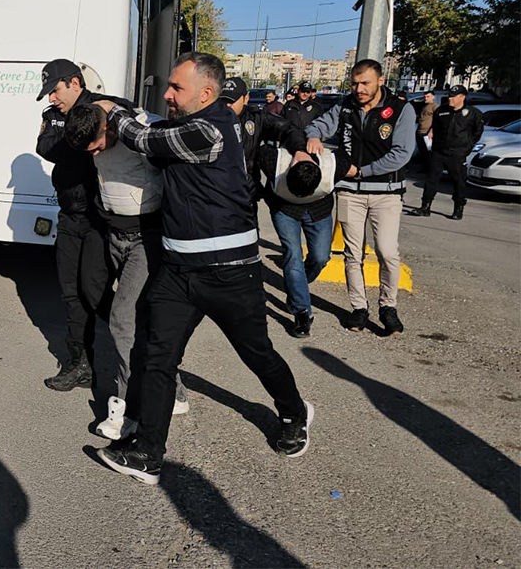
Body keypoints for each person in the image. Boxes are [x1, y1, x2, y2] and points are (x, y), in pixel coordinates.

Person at [91, 52, 313, 485]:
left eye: (177, 88)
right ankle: (147, 454)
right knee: (157, 356)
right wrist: (107, 102)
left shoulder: (210, 129)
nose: (168, 94)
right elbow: (148, 125)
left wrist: (110, 111)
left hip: (228, 273)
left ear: (206, 93)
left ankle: (294, 411)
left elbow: (144, 139)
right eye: (169, 86)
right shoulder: (182, 124)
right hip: (178, 272)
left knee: (256, 354)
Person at [63, 101, 189, 443]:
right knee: (135, 320)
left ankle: (126, 411)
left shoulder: (144, 132)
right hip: (112, 234)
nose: (97, 151)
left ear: (109, 125)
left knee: (122, 319)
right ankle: (172, 388)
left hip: (146, 240)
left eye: (98, 144)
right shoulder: (89, 126)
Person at [304, 59, 415, 334]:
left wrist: (363, 172)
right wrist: (314, 136)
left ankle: (388, 307)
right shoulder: (345, 107)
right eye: (354, 83)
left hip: (386, 193)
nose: (359, 88)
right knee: (353, 254)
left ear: (380, 80)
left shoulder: (401, 109)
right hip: (350, 192)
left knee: (388, 253)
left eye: (365, 83)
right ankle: (359, 308)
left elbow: (401, 154)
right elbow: (316, 126)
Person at [222, 77, 331, 338]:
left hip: (245, 198)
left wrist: (299, 151)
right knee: (290, 254)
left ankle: (290, 290)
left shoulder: (257, 119)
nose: (226, 107)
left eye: (231, 101)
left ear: (246, 99)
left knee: (316, 257)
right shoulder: (209, 118)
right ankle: (301, 311)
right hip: (215, 201)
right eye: (222, 101)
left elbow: (289, 130)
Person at [34, 59, 112, 392]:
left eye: (55, 90)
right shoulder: (53, 116)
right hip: (68, 215)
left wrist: (74, 132)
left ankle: (132, 359)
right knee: (70, 293)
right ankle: (78, 362)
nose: (51, 98)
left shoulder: (100, 108)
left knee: (94, 292)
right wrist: (76, 134)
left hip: (98, 218)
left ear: (75, 83)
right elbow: (44, 148)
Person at [412, 85, 485, 220]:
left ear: (462, 97)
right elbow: (436, 128)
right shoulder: (441, 111)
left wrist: (467, 146)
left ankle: (458, 208)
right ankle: (425, 207)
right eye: (449, 96)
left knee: (459, 182)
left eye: (453, 96)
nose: (450, 98)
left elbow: (477, 132)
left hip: (457, 153)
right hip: (439, 151)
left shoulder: (473, 113)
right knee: (431, 179)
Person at [415, 90, 438, 167]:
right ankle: (424, 167)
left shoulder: (434, 106)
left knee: (428, 152)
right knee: (422, 151)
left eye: (428, 96)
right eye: (425, 97)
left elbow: (436, 120)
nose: (426, 98)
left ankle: (429, 169)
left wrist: (431, 131)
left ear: (433, 97)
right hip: (420, 131)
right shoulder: (425, 106)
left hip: (427, 133)